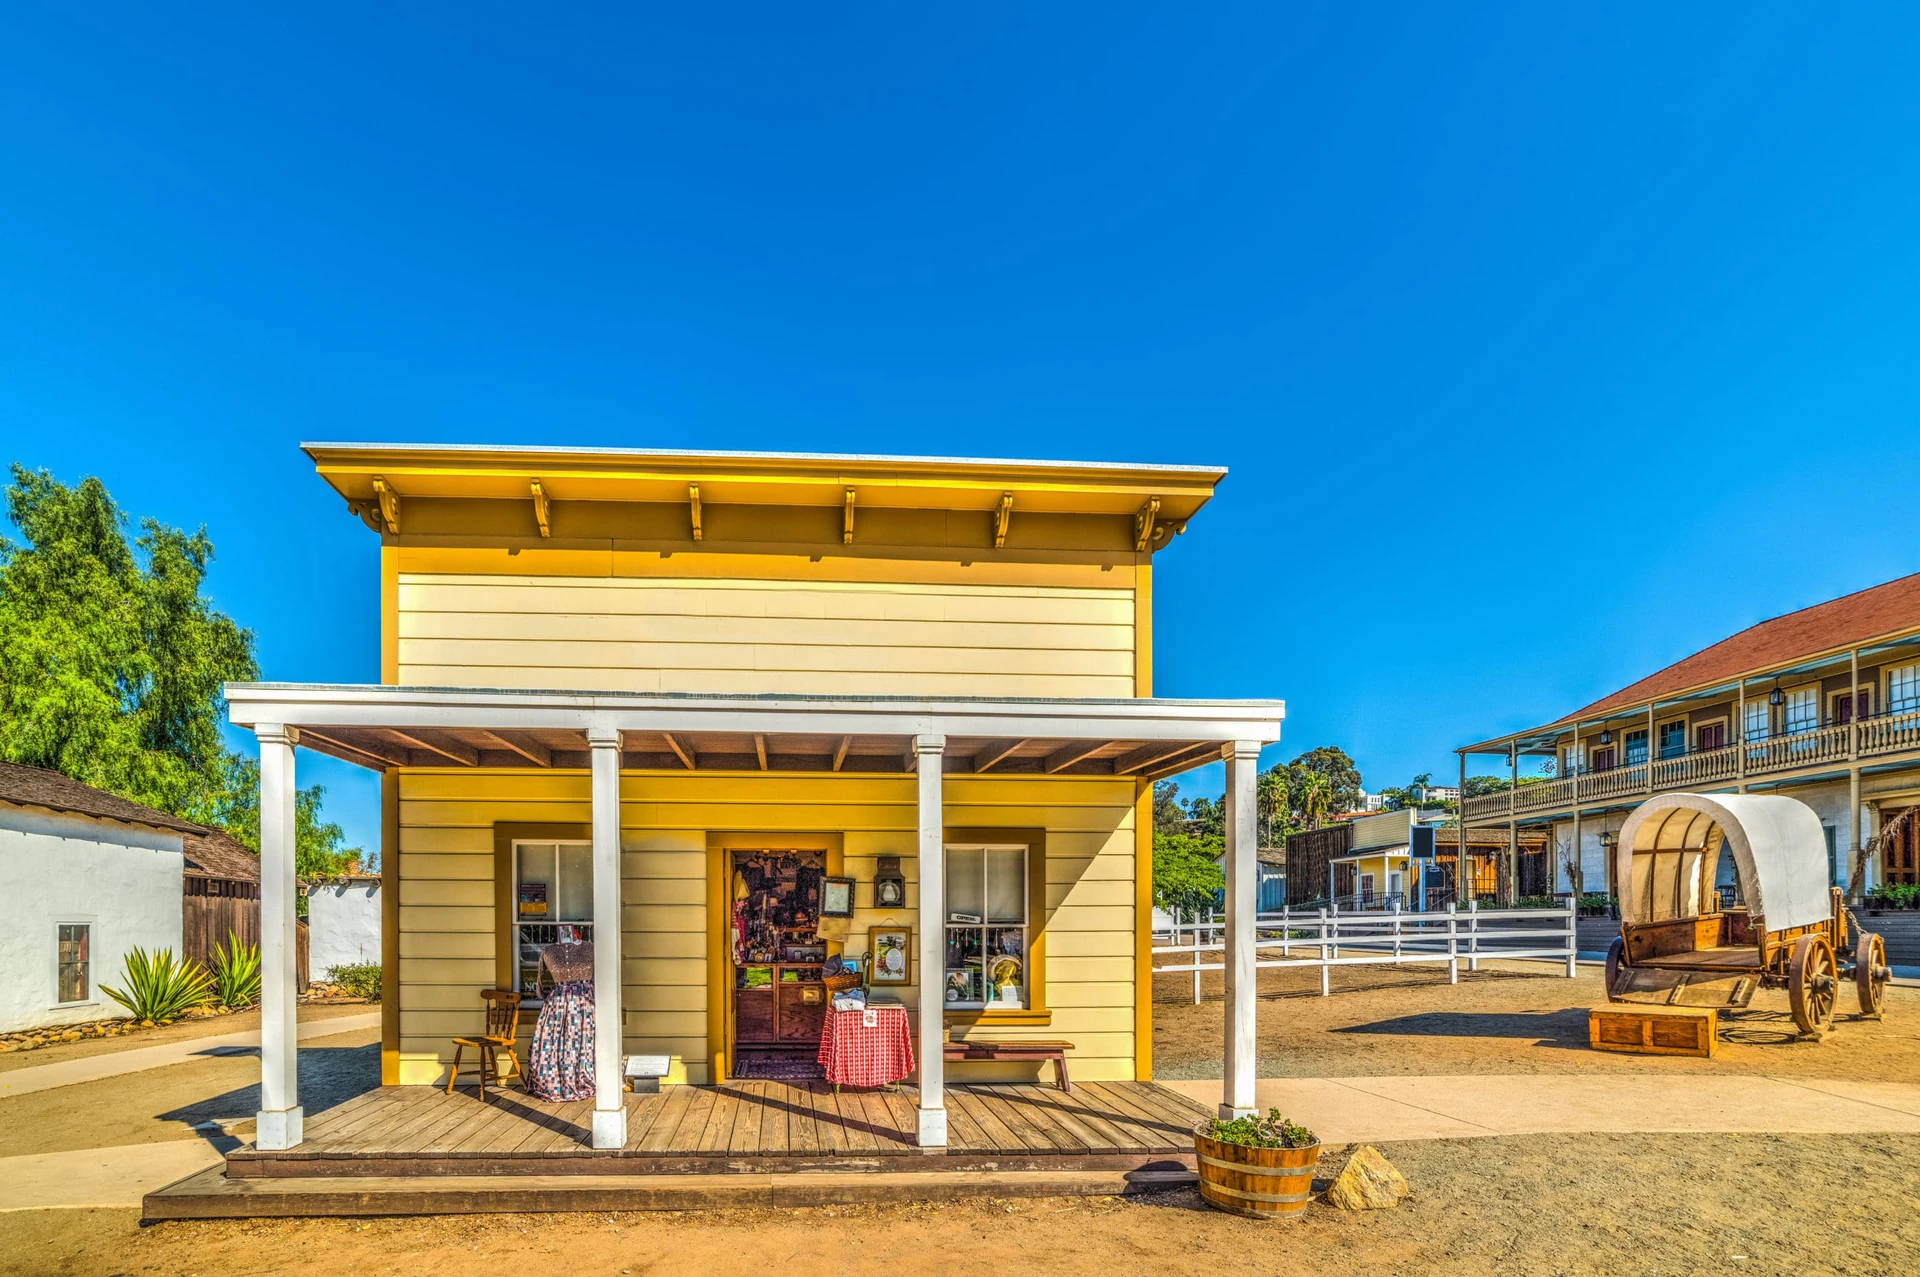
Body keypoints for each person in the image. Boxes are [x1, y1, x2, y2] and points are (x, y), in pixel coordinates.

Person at [527, 938, 595, 1101]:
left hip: (585, 1003)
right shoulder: (549, 951)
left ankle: (586, 1075)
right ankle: (557, 1080)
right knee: (555, 1041)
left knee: (585, 1041)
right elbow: (540, 985)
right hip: (559, 1004)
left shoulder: (590, 948)